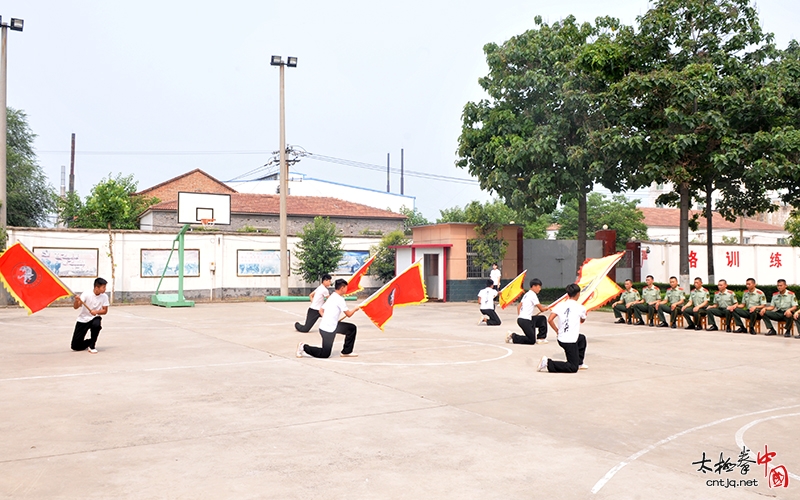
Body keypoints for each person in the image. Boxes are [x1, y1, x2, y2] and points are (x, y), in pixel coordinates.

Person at [297, 279, 360, 358]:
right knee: (325, 353)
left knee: (351, 328)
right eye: (346, 287)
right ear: (342, 288)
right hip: (328, 329)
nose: (347, 289)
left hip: (331, 325)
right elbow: (349, 314)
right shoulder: (340, 299)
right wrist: (355, 309)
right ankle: (303, 347)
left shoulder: (332, 296)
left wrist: (328, 318)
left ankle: (346, 351)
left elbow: (321, 310)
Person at [538, 283, 587, 373]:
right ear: (578, 294)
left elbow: (550, 319)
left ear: (568, 294)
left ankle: (579, 362)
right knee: (572, 367)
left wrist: (557, 331)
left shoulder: (560, 305)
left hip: (561, 338)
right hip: (570, 341)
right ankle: (548, 363)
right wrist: (583, 315)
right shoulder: (581, 308)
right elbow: (582, 321)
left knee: (582, 339)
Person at [70, 277, 110, 353]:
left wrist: (96, 312)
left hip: (95, 317)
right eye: (103, 287)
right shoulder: (86, 294)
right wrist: (77, 301)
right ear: (96, 287)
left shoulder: (104, 297)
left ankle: (92, 346)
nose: (105, 289)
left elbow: (105, 311)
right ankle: (90, 342)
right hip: (83, 319)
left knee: (96, 324)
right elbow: (76, 307)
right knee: (75, 346)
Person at [506, 278, 549, 344]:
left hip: (525, 318)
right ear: (534, 286)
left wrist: (520, 316)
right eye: (539, 287)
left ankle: (541, 338)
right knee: (531, 340)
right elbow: (541, 309)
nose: (540, 289)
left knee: (542, 319)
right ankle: (513, 336)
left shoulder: (527, 294)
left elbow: (519, 306)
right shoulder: (533, 295)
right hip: (525, 320)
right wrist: (548, 308)